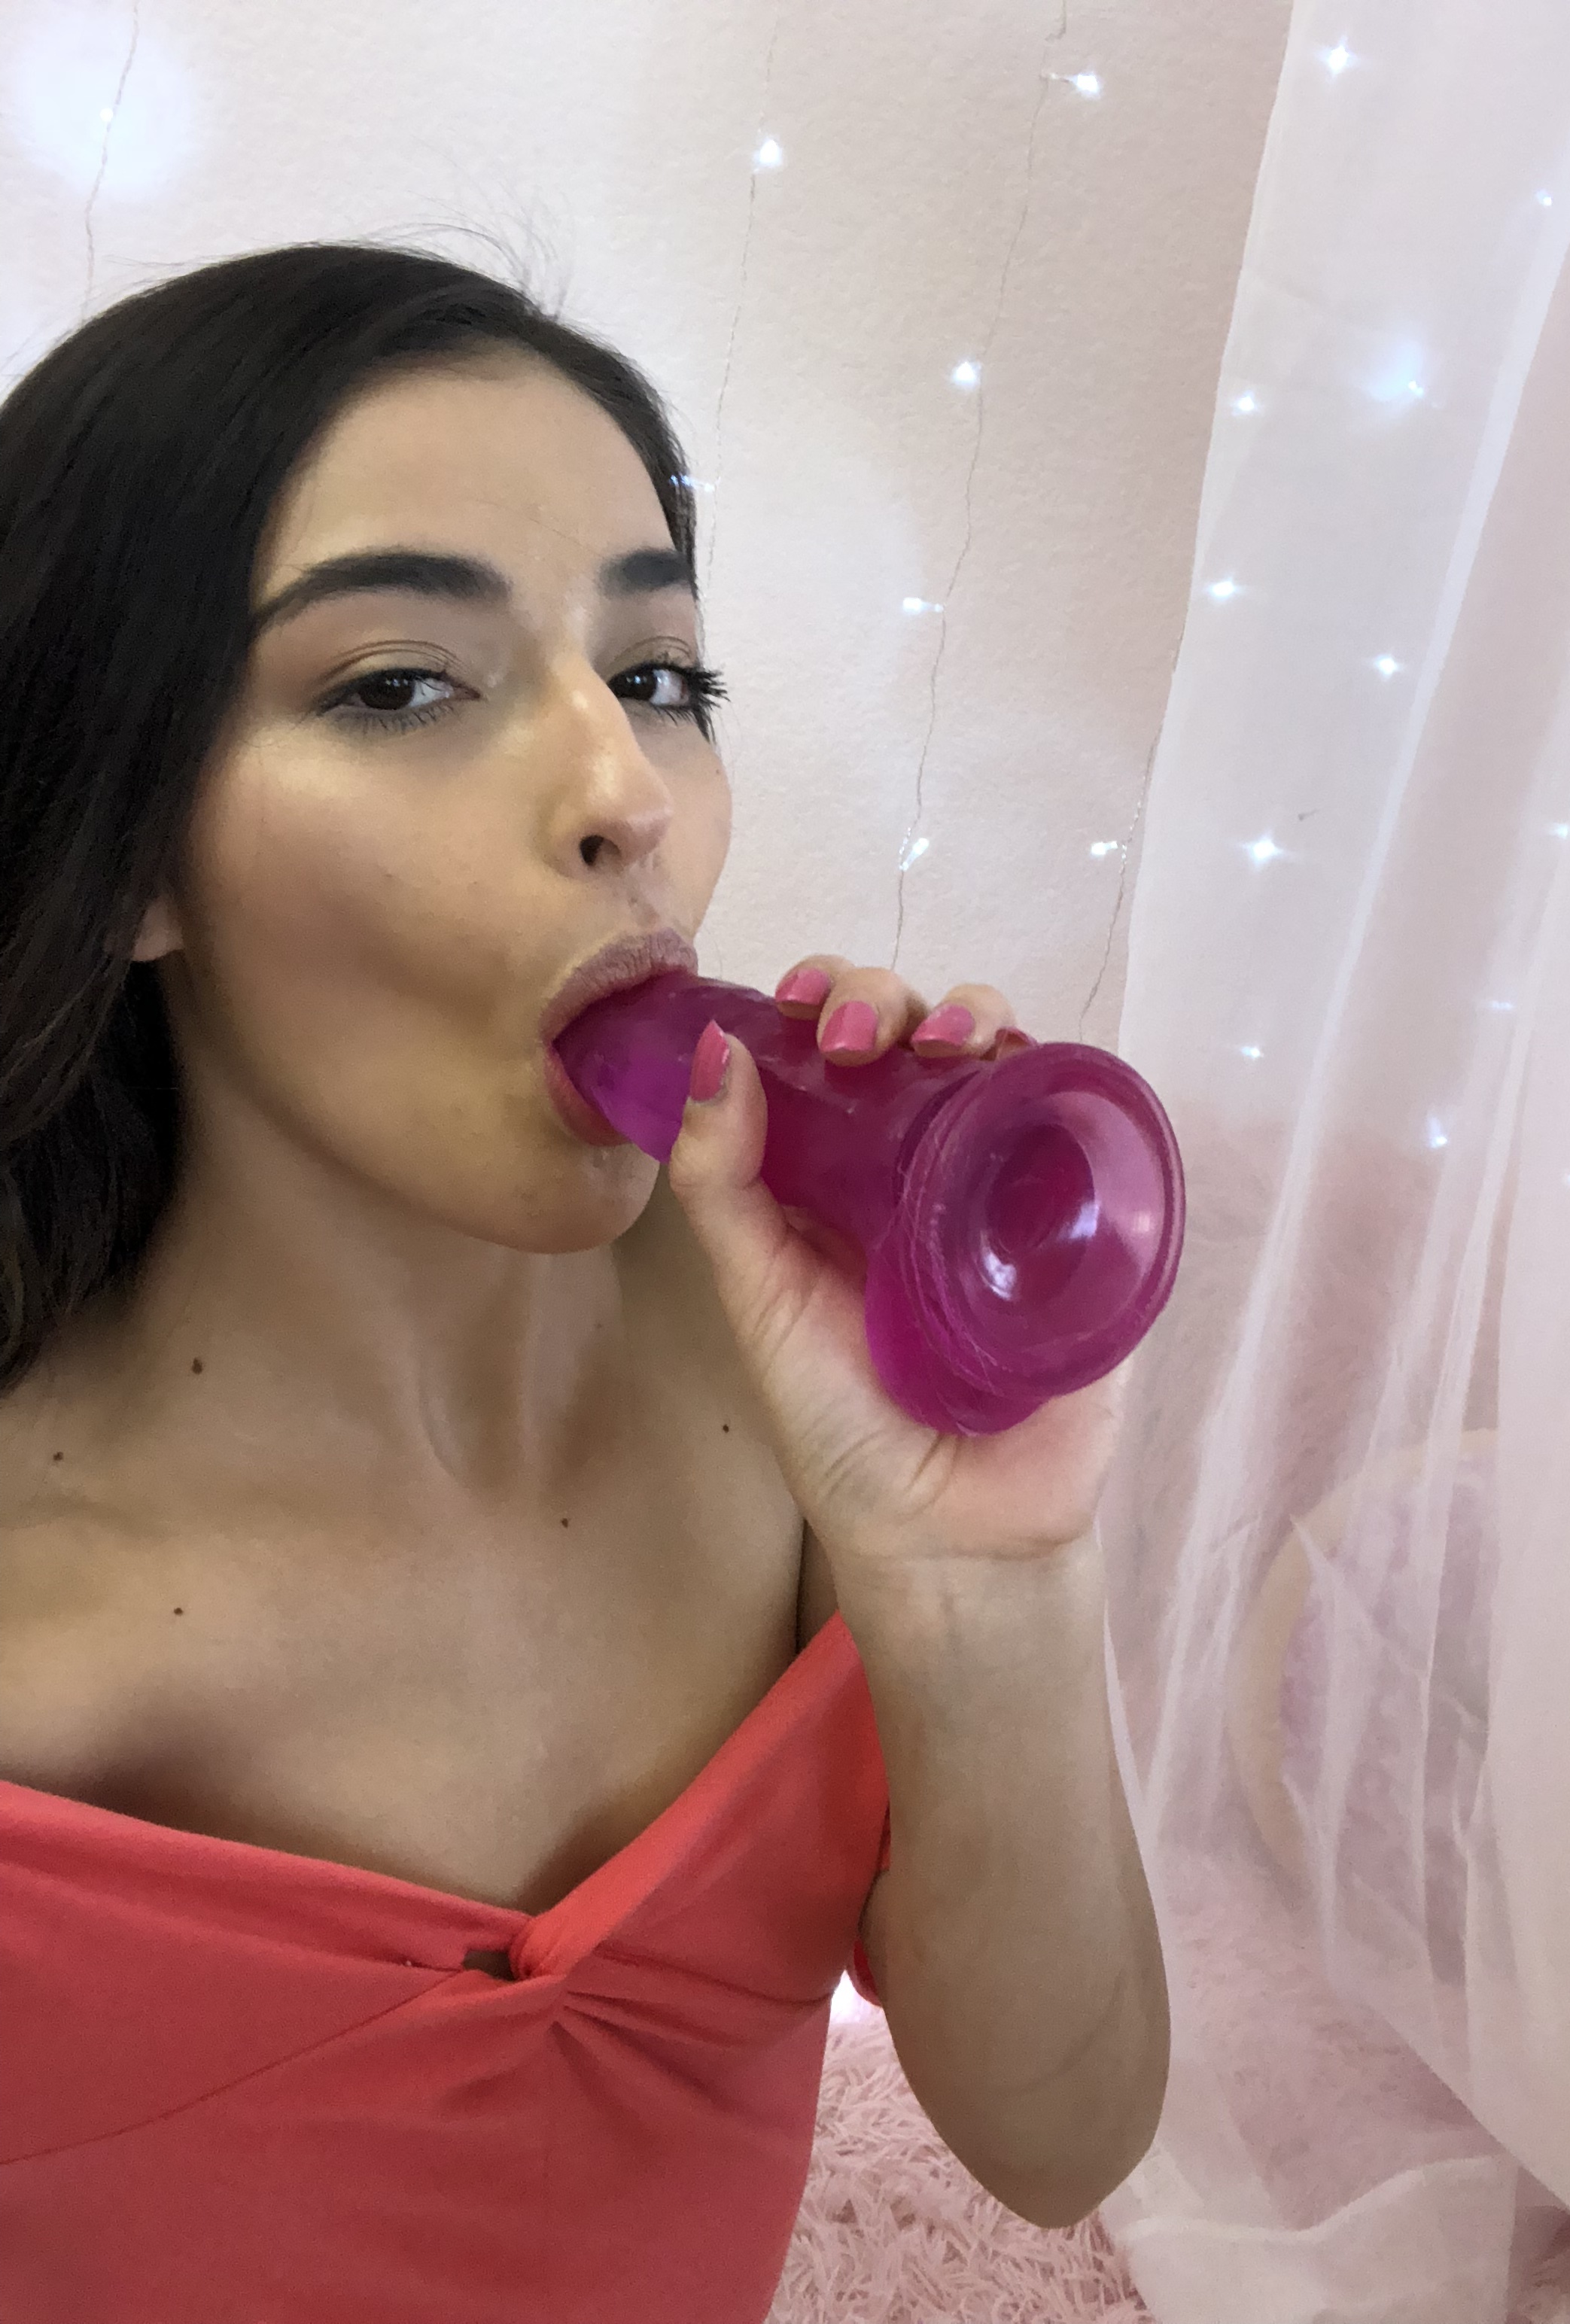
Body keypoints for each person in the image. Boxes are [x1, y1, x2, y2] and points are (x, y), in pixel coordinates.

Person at [0, 241, 1169, 2322]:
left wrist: (984, 1591)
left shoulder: (796, 1372)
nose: (628, 796)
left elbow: (1061, 2140)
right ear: (129, 856)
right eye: (400, 685)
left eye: (656, 678)